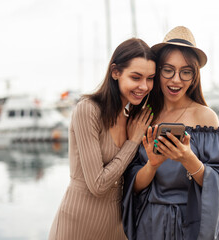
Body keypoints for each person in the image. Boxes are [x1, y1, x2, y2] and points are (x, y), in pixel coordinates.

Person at [122, 26, 219, 240]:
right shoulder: (144, 117)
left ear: (194, 76)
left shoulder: (205, 117)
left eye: (185, 72)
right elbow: (132, 184)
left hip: (191, 224)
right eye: (168, 70)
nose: (176, 79)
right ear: (158, 71)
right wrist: (152, 165)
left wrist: (188, 159)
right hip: (150, 223)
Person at [48, 38, 156, 240]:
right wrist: (132, 141)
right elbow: (97, 185)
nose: (144, 86)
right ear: (115, 72)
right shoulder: (88, 109)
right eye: (136, 77)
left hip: (116, 229)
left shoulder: (134, 119)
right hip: (76, 228)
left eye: (150, 78)